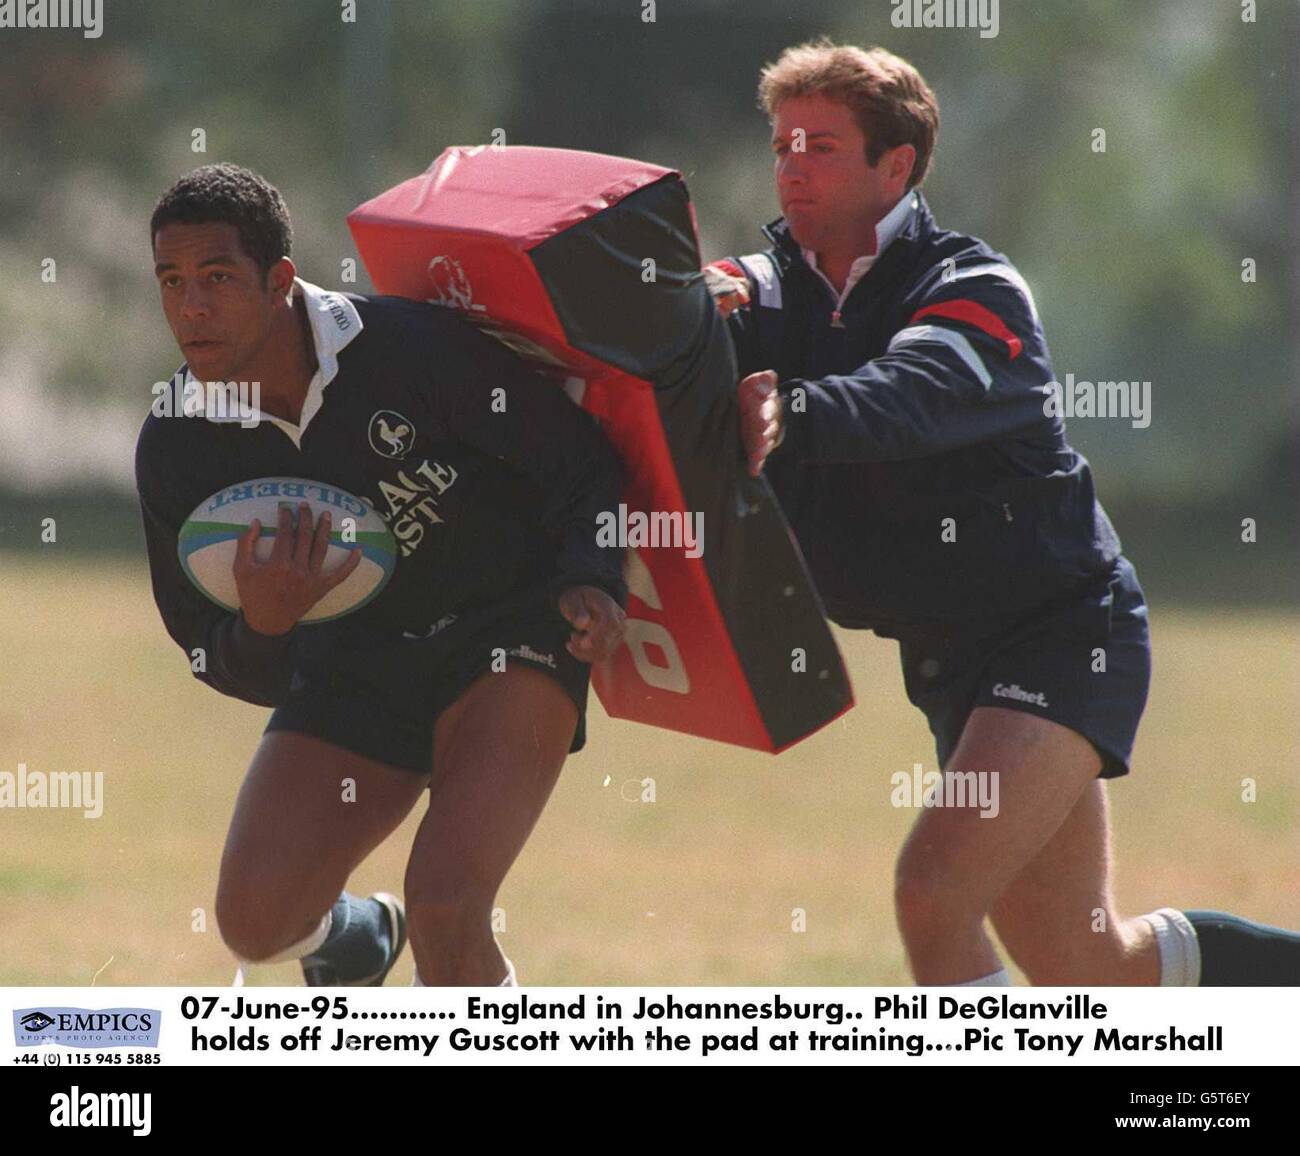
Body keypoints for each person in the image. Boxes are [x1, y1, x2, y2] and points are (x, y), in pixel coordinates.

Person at [709, 40, 1300, 985]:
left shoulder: (975, 289)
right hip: (952, 657)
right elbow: (659, 337)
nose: (790, 165)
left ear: (894, 166)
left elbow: (916, 394)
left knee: (933, 890)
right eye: (783, 143)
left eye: (820, 145)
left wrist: (799, 410)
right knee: (1089, 962)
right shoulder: (761, 290)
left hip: (1062, 630)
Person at [137, 163, 627, 987]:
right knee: (254, 924)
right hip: (358, 661)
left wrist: (594, 576)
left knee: (446, 904)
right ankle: (354, 940)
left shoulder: (407, 349)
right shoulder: (179, 441)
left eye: (217, 278)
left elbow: (581, 460)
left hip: (505, 632)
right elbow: (206, 651)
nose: (190, 308)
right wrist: (267, 623)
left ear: (280, 281)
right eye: (172, 281)